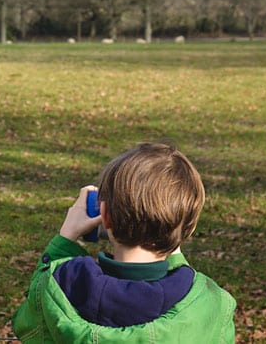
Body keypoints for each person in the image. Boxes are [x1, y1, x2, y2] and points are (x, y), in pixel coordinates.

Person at [12, 142, 236, 343]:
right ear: (189, 227)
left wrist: (65, 238)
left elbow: (32, 320)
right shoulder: (212, 306)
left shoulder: (59, 286)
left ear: (105, 216)